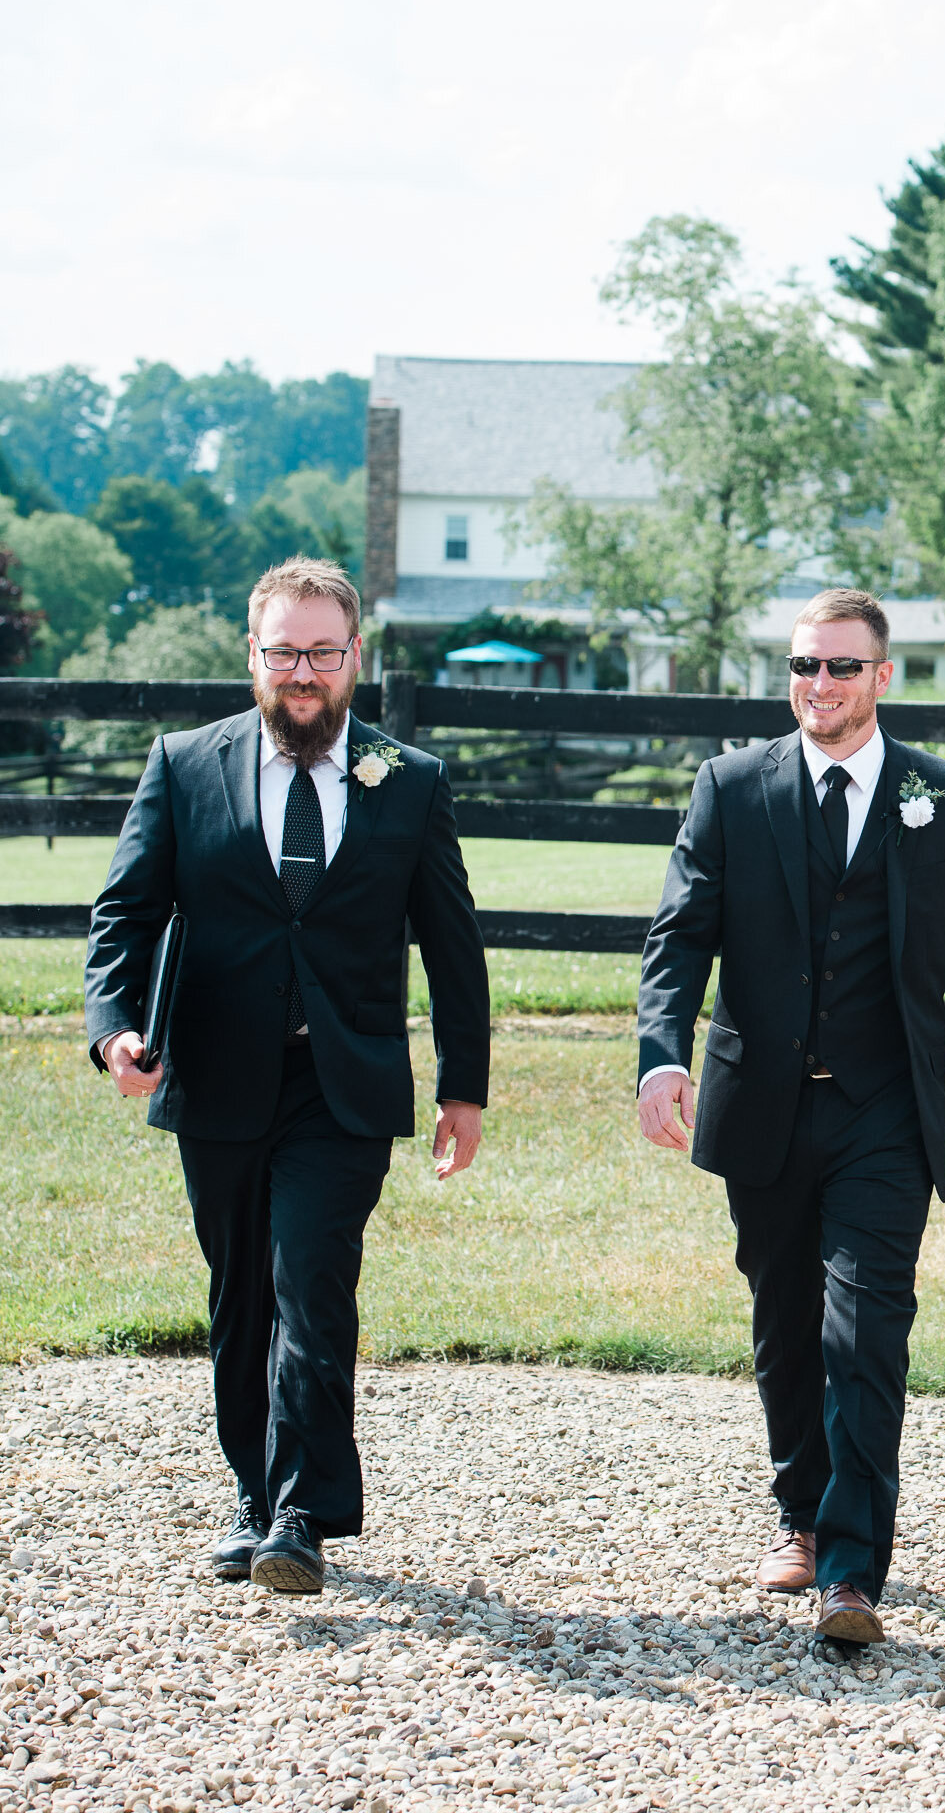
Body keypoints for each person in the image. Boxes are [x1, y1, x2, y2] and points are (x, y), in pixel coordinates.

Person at [85, 557, 489, 1594]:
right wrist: (113, 1030)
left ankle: (301, 1512)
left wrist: (463, 1086)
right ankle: (252, 1495)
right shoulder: (184, 764)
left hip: (341, 1082)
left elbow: (451, 946)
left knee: (311, 1278)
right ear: (251, 656)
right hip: (214, 1074)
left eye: (320, 651)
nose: (300, 671)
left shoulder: (410, 781)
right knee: (241, 1293)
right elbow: (123, 912)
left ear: (355, 656)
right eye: (282, 651)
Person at [636, 587, 945, 1644]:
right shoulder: (729, 787)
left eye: (840, 666)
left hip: (885, 1113)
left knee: (865, 1329)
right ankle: (797, 1514)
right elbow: (677, 939)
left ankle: (851, 1568)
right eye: (803, 665)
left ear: (881, 676)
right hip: (759, 1105)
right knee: (783, 1322)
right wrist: (659, 1056)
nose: (818, 684)